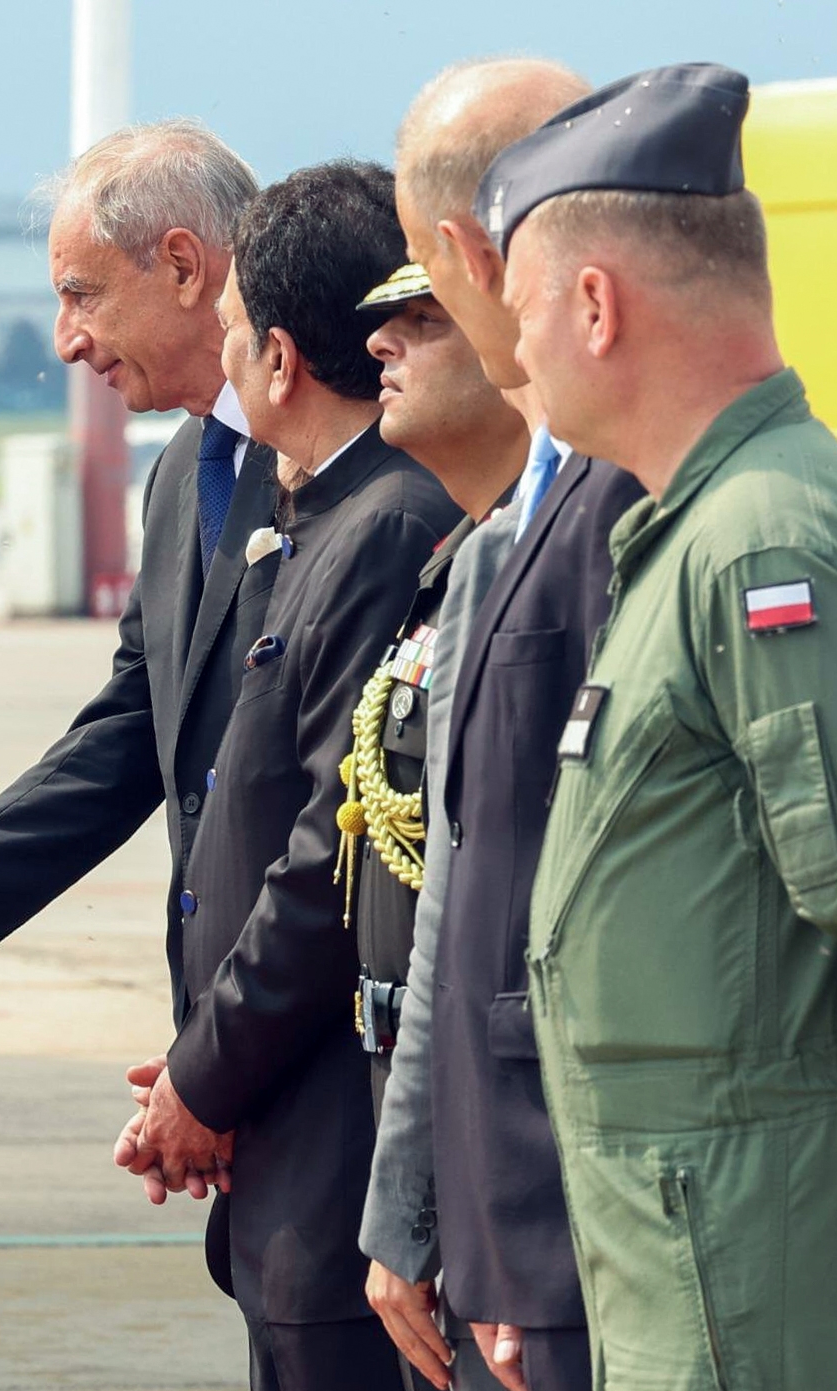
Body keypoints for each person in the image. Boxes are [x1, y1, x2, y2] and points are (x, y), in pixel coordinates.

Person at [498, 63, 837, 1388]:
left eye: (520, 315)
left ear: (595, 303)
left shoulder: (760, 538)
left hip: (764, 1224)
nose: (516, 356)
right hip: (716, 1217)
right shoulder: (708, 525)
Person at [0, 126, 274, 1038]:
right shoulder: (185, 471)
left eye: (81, 294)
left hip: (322, 1026)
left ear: (184, 267)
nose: (67, 340)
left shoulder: (348, 461)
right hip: (229, 1027)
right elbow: (136, 725)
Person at [130, 160, 461, 1391]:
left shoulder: (383, 527)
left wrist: (201, 1076)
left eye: (224, 331)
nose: (215, 363)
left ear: (274, 357)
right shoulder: (304, 515)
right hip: (278, 1141)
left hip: (336, 1136)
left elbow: (333, 852)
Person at [359, 57, 647, 1391]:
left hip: (591, 1235)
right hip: (490, 1236)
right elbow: (458, 908)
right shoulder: (501, 532)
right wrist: (408, 1211)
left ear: (452, 252)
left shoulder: (647, 507)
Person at [342, 258, 527, 1125]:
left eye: (427, 320)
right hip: (415, 1083)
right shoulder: (454, 554)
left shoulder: (550, 569)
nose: (380, 342)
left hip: (494, 1105)